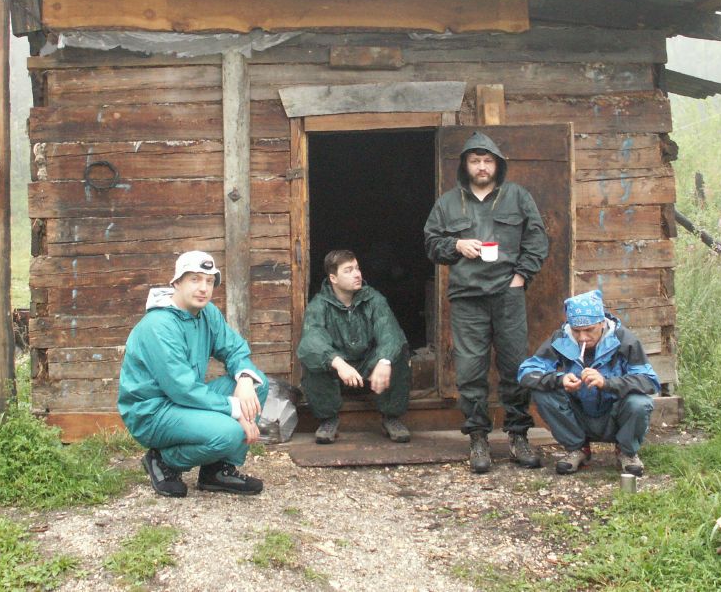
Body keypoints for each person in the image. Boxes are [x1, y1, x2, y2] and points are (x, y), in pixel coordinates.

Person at [424, 131, 549, 473]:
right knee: (469, 370)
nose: (482, 166)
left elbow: (537, 238)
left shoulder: (517, 196)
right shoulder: (448, 203)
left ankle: (518, 436)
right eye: (475, 160)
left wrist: (521, 276)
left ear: (498, 164)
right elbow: (431, 243)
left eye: (488, 160)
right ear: (465, 165)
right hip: (467, 296)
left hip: (508, 294)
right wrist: (456, 245)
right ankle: (478, 438)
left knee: (515, 365)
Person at [118, 251, 269, 497]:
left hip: (183, 403)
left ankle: (217, 471)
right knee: (230, 432)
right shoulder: (159, 325)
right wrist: (236, 409)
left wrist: (244, 378)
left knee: (256, 384)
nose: (203, 288)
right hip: (153, 412)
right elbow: (182, 388)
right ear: (177, 282)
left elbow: (234, 349)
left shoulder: (208, 313)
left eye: (209, 281)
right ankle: (164, 461)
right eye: (195, 279)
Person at [517, 289, 660, 476]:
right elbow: (526, 372)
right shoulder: (561, 339)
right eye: (576, 331)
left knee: (639, 402)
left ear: (601, 322)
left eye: (589, 330)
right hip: (578, 414)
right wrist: (559, 379)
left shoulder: (625, 340)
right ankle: (577, 448)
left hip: (615, 414)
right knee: (543, 392)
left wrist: (607, 383)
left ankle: (626, 451)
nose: (582, 337)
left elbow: (649, 381)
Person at [297, 250, 413, 444]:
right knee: (313, 358)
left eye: (357, 268)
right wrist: (338, 362)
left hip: (369, 365)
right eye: (348, 270)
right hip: (338, 371)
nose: (357, 274)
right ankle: (328, 419)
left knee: (397, 351)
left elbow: (390, 332)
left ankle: (391, 416)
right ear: (333, 278)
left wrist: (384, 360)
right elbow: (312, 340)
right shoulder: (319, 305)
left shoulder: (373, 299)